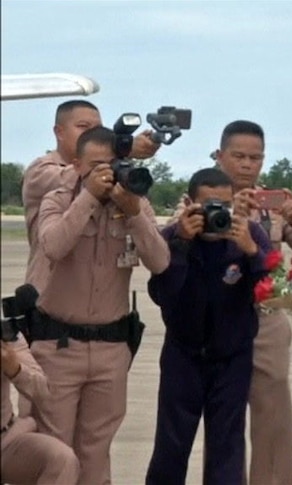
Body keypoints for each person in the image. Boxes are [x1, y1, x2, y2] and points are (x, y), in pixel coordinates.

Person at [29, 126, 169, 484]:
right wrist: (88, 197)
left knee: (95, 451)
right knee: (56, 449)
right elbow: (54, 247)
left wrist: (134, 213)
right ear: (76, 165)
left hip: (110, 348)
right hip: (59, 346)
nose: (108, 174)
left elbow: (160, 262)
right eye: (97, 166)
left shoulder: (134, 205)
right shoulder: (58, 199)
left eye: (114, 165)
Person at [146, 168, 273, 485]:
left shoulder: (249, 235)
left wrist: (253, 253)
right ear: (189, 203)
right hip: (182, 354)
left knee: (227, 447)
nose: (218, 214)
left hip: (232, 356)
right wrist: (182, 245)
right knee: (171, 446)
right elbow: (162, 294)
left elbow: (277, 291)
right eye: (208, 206)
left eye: (225, 206)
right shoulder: (172, 236)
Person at [213, 120, 292, 484]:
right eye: (239, 156)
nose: (248, 165)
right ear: (220, 156)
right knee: (223, 423)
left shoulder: (273, 208)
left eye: (256, 158)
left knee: (273, 421)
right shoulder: (201, 199)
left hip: (267, 317)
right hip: (219, 319)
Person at [22, 99, 159, 292]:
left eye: (97, 128)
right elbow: (80, 177)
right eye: (83, 127)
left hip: (103, 303)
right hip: (49, 297)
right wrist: (125, 149)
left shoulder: (114, 172)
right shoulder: (41, 170)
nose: (91, 133)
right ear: (59, 132)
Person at [1, 337, 80, 484]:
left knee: (62, 460)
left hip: (6, 438)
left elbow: (42, 392)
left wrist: (15, 369)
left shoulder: (8, 334)